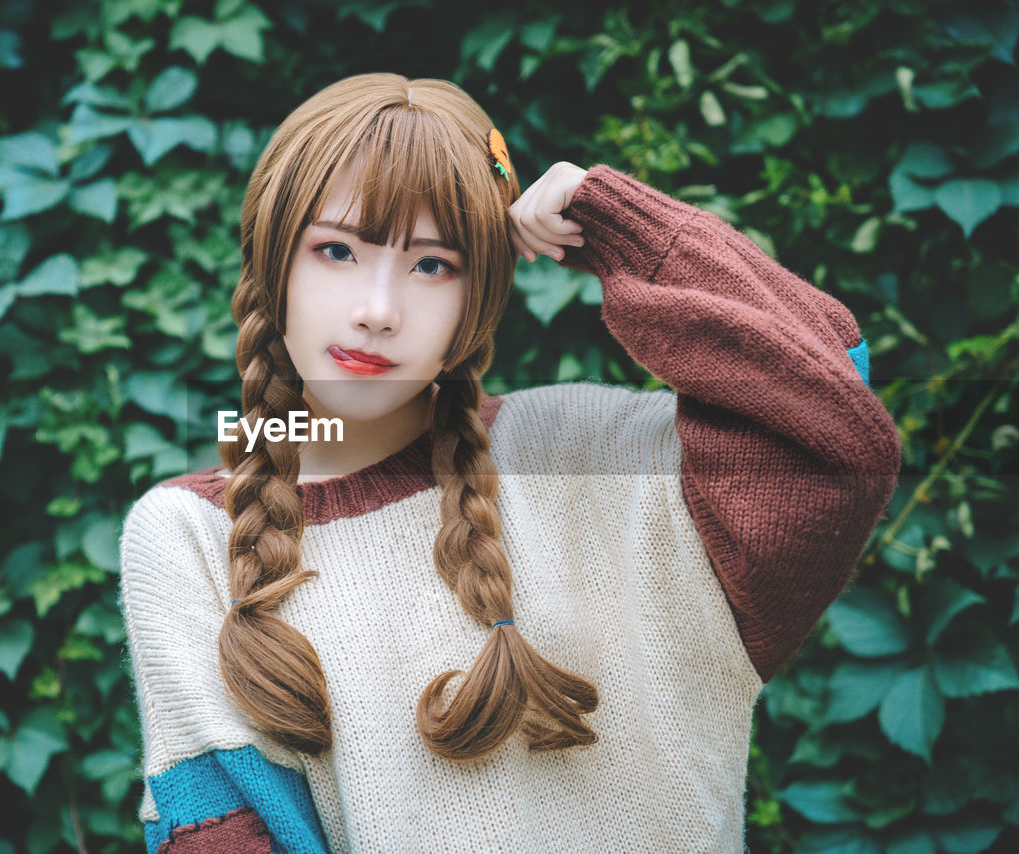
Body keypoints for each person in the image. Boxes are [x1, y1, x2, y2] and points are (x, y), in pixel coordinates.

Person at [117, 72, 901, 853]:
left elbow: (832, 412)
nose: (378, 309)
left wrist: (621, 228)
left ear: (479, 299)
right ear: (271, 262)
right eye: (335, 250)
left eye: (434, 265)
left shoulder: (585, 453)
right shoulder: (187, 538)